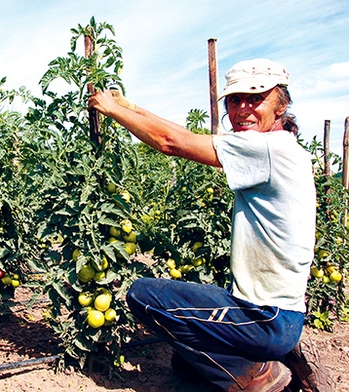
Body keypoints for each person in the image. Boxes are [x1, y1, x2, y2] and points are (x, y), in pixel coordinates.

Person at [88, 59, 317, 391]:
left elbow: (171, 142)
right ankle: (266, 358)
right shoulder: (282, 147)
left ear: (281, 103)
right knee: (184, 362)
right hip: (281, 314)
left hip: (266, 318)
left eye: (256, 99)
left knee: (143, 295)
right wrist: (132, 107)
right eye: (235, 100)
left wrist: (111, 110)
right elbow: (188, 136)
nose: (243, 109)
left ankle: (260, 373)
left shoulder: (266, 148)